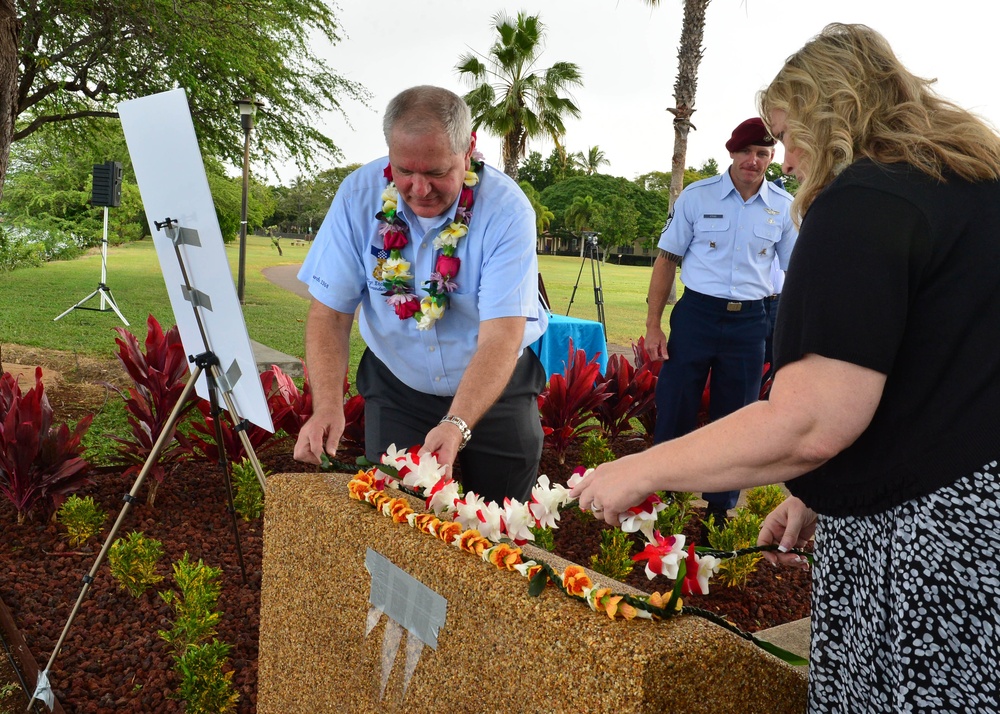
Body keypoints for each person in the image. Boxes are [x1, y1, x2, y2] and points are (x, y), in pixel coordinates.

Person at [571, 23, 1000, 713]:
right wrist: (816, 494)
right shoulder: (971, 187)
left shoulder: (863, 200)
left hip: (926, 550)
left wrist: (640, 468)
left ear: (831, 112)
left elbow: (807, 423)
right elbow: (926, 375)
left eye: (789, 132)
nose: (787, 158)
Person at [293, 85, 548, 505]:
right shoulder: (358, 196)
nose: (418, 188)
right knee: (394, 520)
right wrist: (326, 407)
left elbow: (502, 335)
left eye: (435, 172)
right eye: (404, 171)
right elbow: (330, 314)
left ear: (469, 151)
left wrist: (457, 424)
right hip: (397, 384)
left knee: (501, 528)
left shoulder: (506, 210)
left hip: (495, 382)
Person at [644, 117, 797, 526]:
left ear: (771, 158)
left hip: (751, 322)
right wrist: (653, 324)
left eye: (763, 153)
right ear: (732, 152)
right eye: (746, 152)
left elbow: (796, 273)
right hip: (697, 315)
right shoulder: (698, 197)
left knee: (737, 418)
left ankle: (719, 511)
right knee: (676, 406)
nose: (753, 160)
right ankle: (666, 500)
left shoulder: (783, 208)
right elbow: (666, 260)